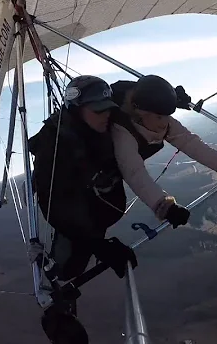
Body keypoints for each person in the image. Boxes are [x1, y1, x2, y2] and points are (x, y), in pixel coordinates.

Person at [28, 75, 138, 323]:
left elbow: (124, 91)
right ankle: (59, 305)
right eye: (97, 110)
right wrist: (97, 245)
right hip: (76, 212)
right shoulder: (54, 146)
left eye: (106, 109)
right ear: (77, 110)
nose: (105, 115)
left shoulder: (103, 123)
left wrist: (164, 96)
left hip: (100, 203)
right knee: (69, 269)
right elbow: (57, 207)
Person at [109, 75, 217, 224]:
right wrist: (164, 206)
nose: (164, 123)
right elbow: (135, 172)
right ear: (140, 112)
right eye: (158, 118)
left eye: (167, 117)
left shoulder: (158, 115)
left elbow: (188, 142)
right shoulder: (122, 132)